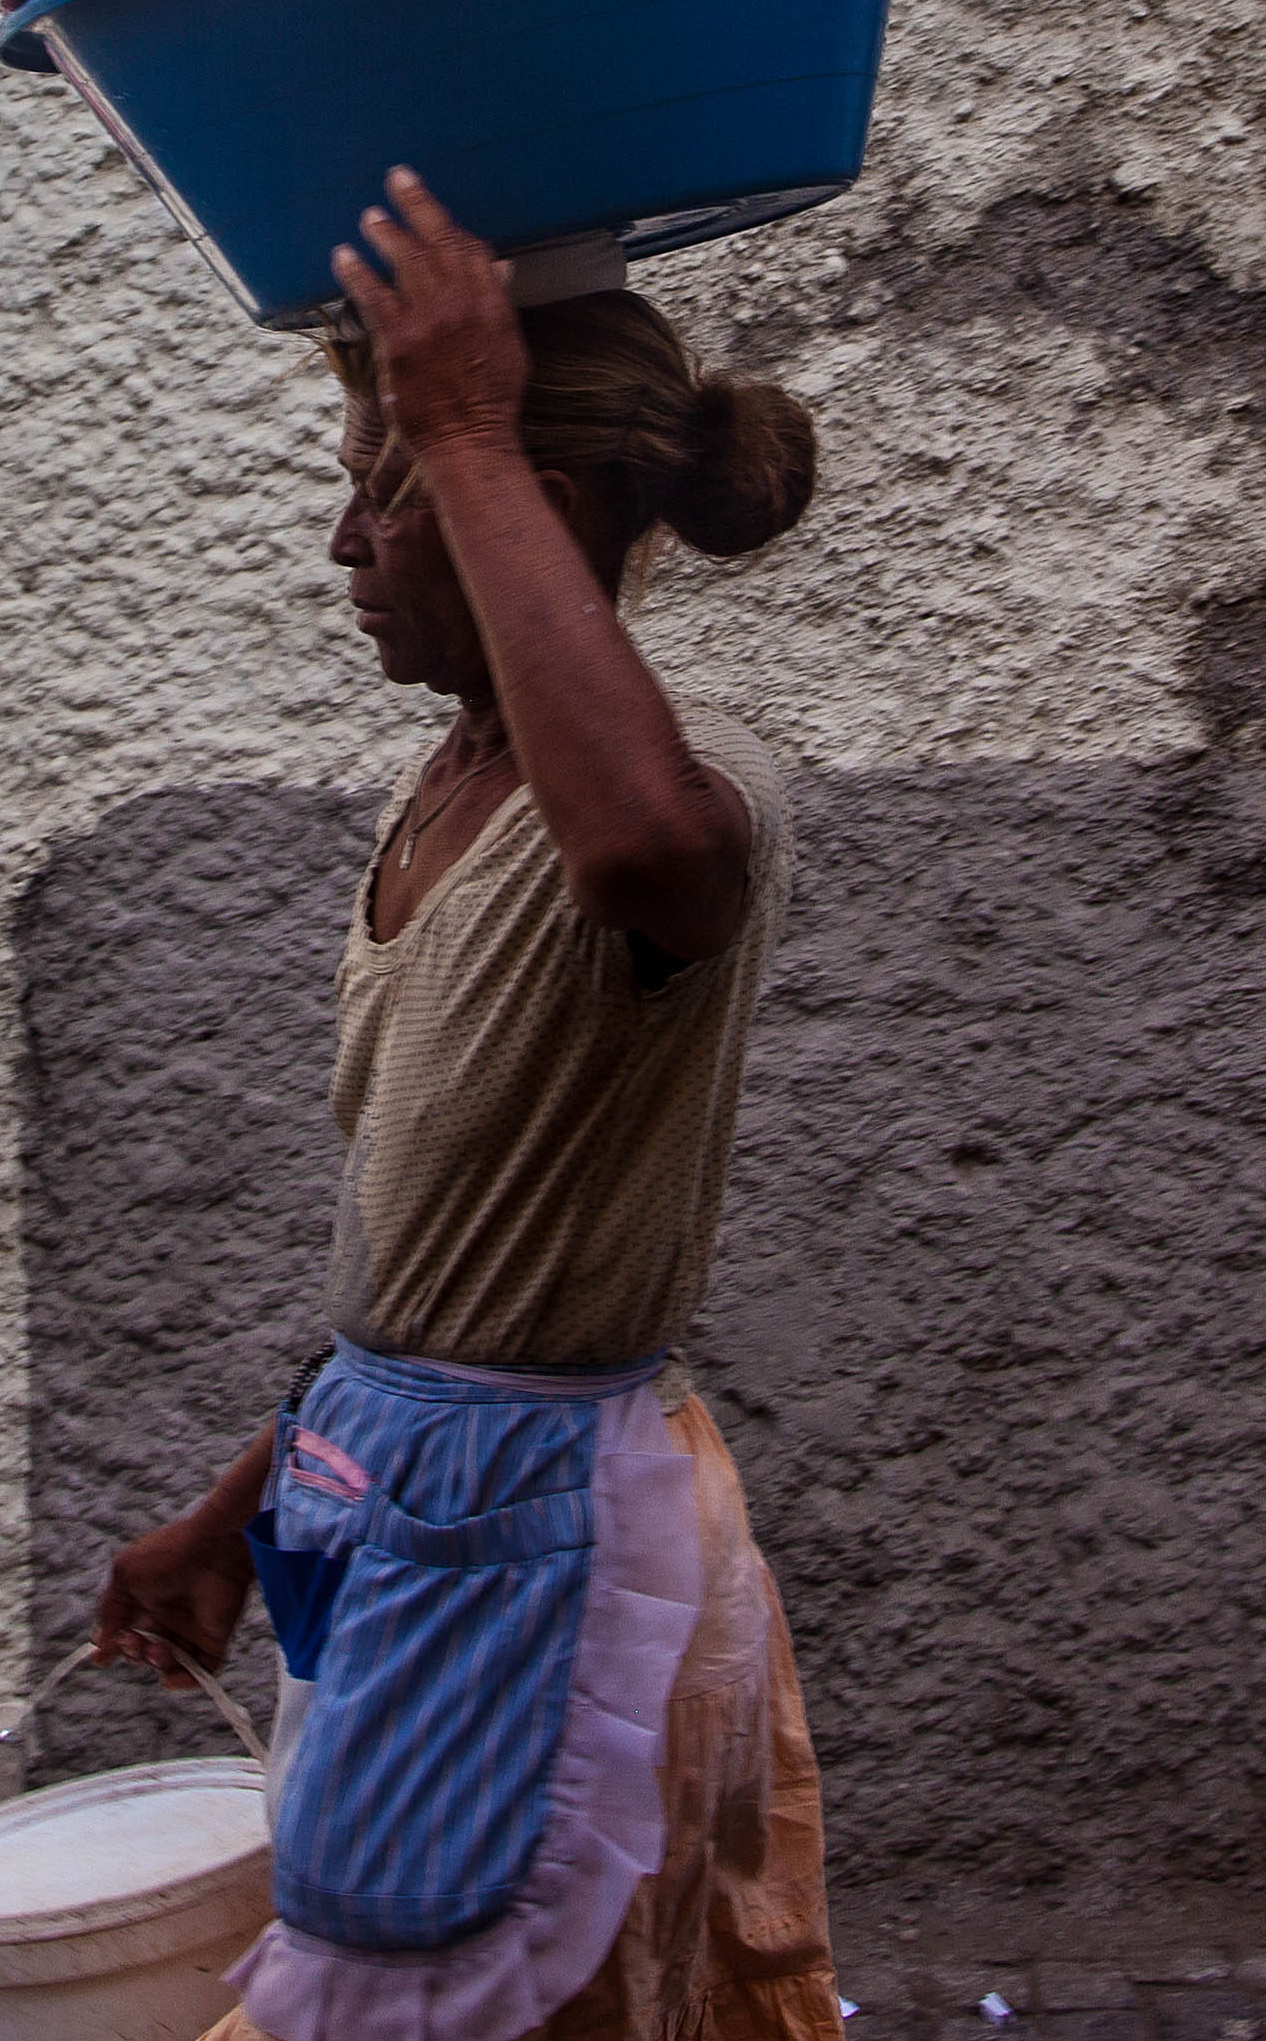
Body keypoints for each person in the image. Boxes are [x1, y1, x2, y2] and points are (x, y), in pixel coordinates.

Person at [92, 166, 837, 2041]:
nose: (345, 540)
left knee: (436, 1984)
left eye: (385, 486)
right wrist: (231, 1511)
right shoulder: (440, 794)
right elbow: (431, 1271)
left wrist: (467, 424)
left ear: (542, 503)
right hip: (421, 1511)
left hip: (544, 1552)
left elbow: (653, 841)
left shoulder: (686, 793)